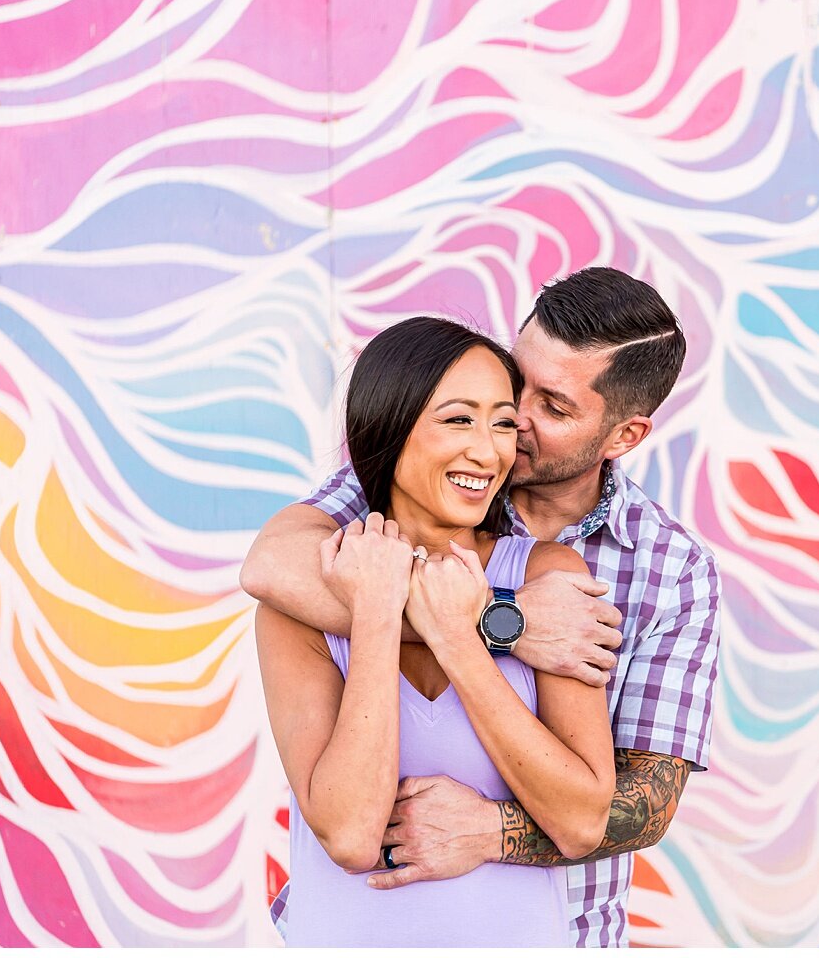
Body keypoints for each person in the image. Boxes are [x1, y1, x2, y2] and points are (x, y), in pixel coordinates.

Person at [241, 268, 721, 947]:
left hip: (561, 928)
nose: (509, 427)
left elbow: (641, 803)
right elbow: (270, 567)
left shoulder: (670, 573)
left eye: (552, 408)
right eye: (513, 384)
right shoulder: (409, 476)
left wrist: (494, 831)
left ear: (622, 436)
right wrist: (504, 621)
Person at [254, 316, 616, 946]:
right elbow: (350, 834)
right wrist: (374, 609)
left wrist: (459, 638)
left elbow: (582, 823)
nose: (488, 450)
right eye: (458, 419)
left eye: (503, 423)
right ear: (390, 428)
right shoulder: (302, 598)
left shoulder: (549, 577)